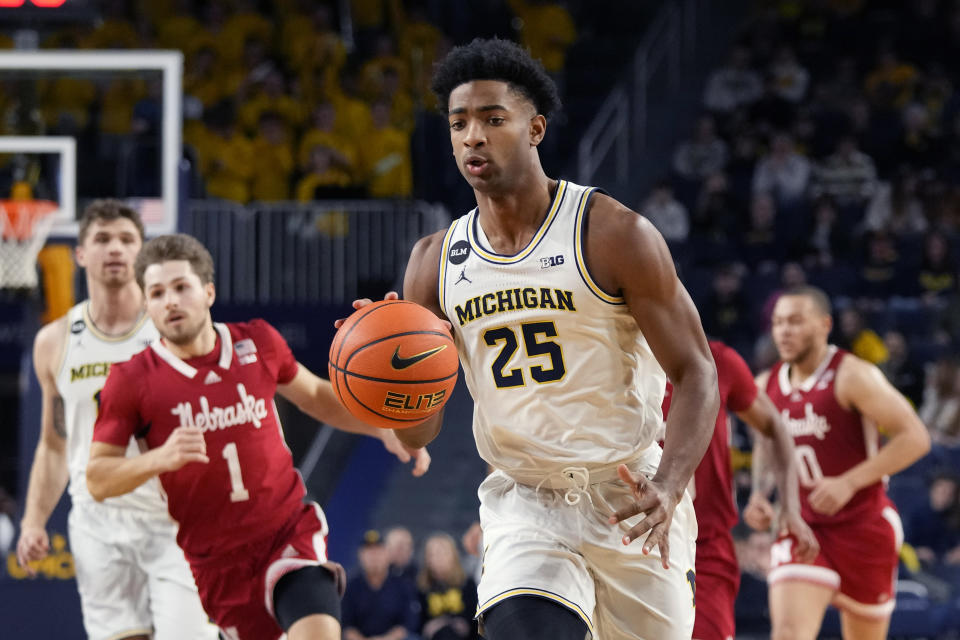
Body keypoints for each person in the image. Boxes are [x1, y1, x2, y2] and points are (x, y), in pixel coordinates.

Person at [389, 37, 720, 640]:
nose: (473, 137)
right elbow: (418, 430)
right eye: (459, 123)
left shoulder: (614, 234)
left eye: (493, 119)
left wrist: (670, 485)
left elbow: (697, 371)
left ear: (535, 128)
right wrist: (394, 371)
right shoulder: (433, 263)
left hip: (628, 495)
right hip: (525, 502)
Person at [86, 234, 430, 640]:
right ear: (146, 304)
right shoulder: (130, 380)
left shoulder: (256, 341)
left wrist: (382, 426)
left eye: (181, 287)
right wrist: (159, 459)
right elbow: (98, 478)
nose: (171, 301)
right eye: (157, 293)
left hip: (285, 531)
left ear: (208, 291)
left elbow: (317, 395)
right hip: (217, 562)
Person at [16, 200, 216, 640]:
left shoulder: (174, 328)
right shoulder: (54, 341)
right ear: (80, 254)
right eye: (102, 239)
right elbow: (53, 444)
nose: (115, 249)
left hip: (173, 519)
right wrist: (32, 522)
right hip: (97, 520)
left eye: (127, 240)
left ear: (141, 253)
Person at [746, 286, 930, 640]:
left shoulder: (853, 375)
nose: (784, 330)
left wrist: (849, 481)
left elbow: (916, 438)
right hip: (801, 529)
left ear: (823, 325)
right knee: (787, 633)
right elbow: (766, 445)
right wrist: (759, 493)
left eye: (796, 322)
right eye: (779, 322)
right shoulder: (765, 385)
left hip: (863, 527)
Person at [661, 339, 819, 640]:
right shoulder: (608, 355)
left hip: (703, 546)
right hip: (623, 539)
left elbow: (775, 427)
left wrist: (788, 505)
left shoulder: (717, 358)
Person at [341, 529, 423, 640]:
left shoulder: (402, 585)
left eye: (378, 551)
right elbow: (347, 625)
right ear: (360, 556)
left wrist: (386, 639)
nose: (374, 557)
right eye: (369, 552)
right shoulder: (351, 586)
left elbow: (408, 623)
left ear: (387, 555)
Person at [417, 532, 479, 640]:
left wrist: (448, 622)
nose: (438, 558)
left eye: (442, 553)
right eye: (432, 554)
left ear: (453, 556)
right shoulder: (421, 587)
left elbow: (474, 620)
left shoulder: (467, 584)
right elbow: (419, 623)